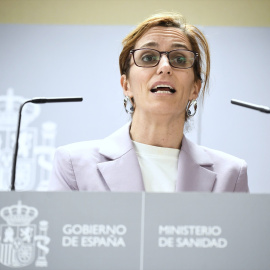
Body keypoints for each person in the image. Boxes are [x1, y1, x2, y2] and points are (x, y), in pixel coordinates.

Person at [49, 12, 249, 192]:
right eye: (148, 57)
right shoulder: (73, 165)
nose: (164, 67)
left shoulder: (231, 175)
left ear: (195, 88)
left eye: (179, 59)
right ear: (126, 85)